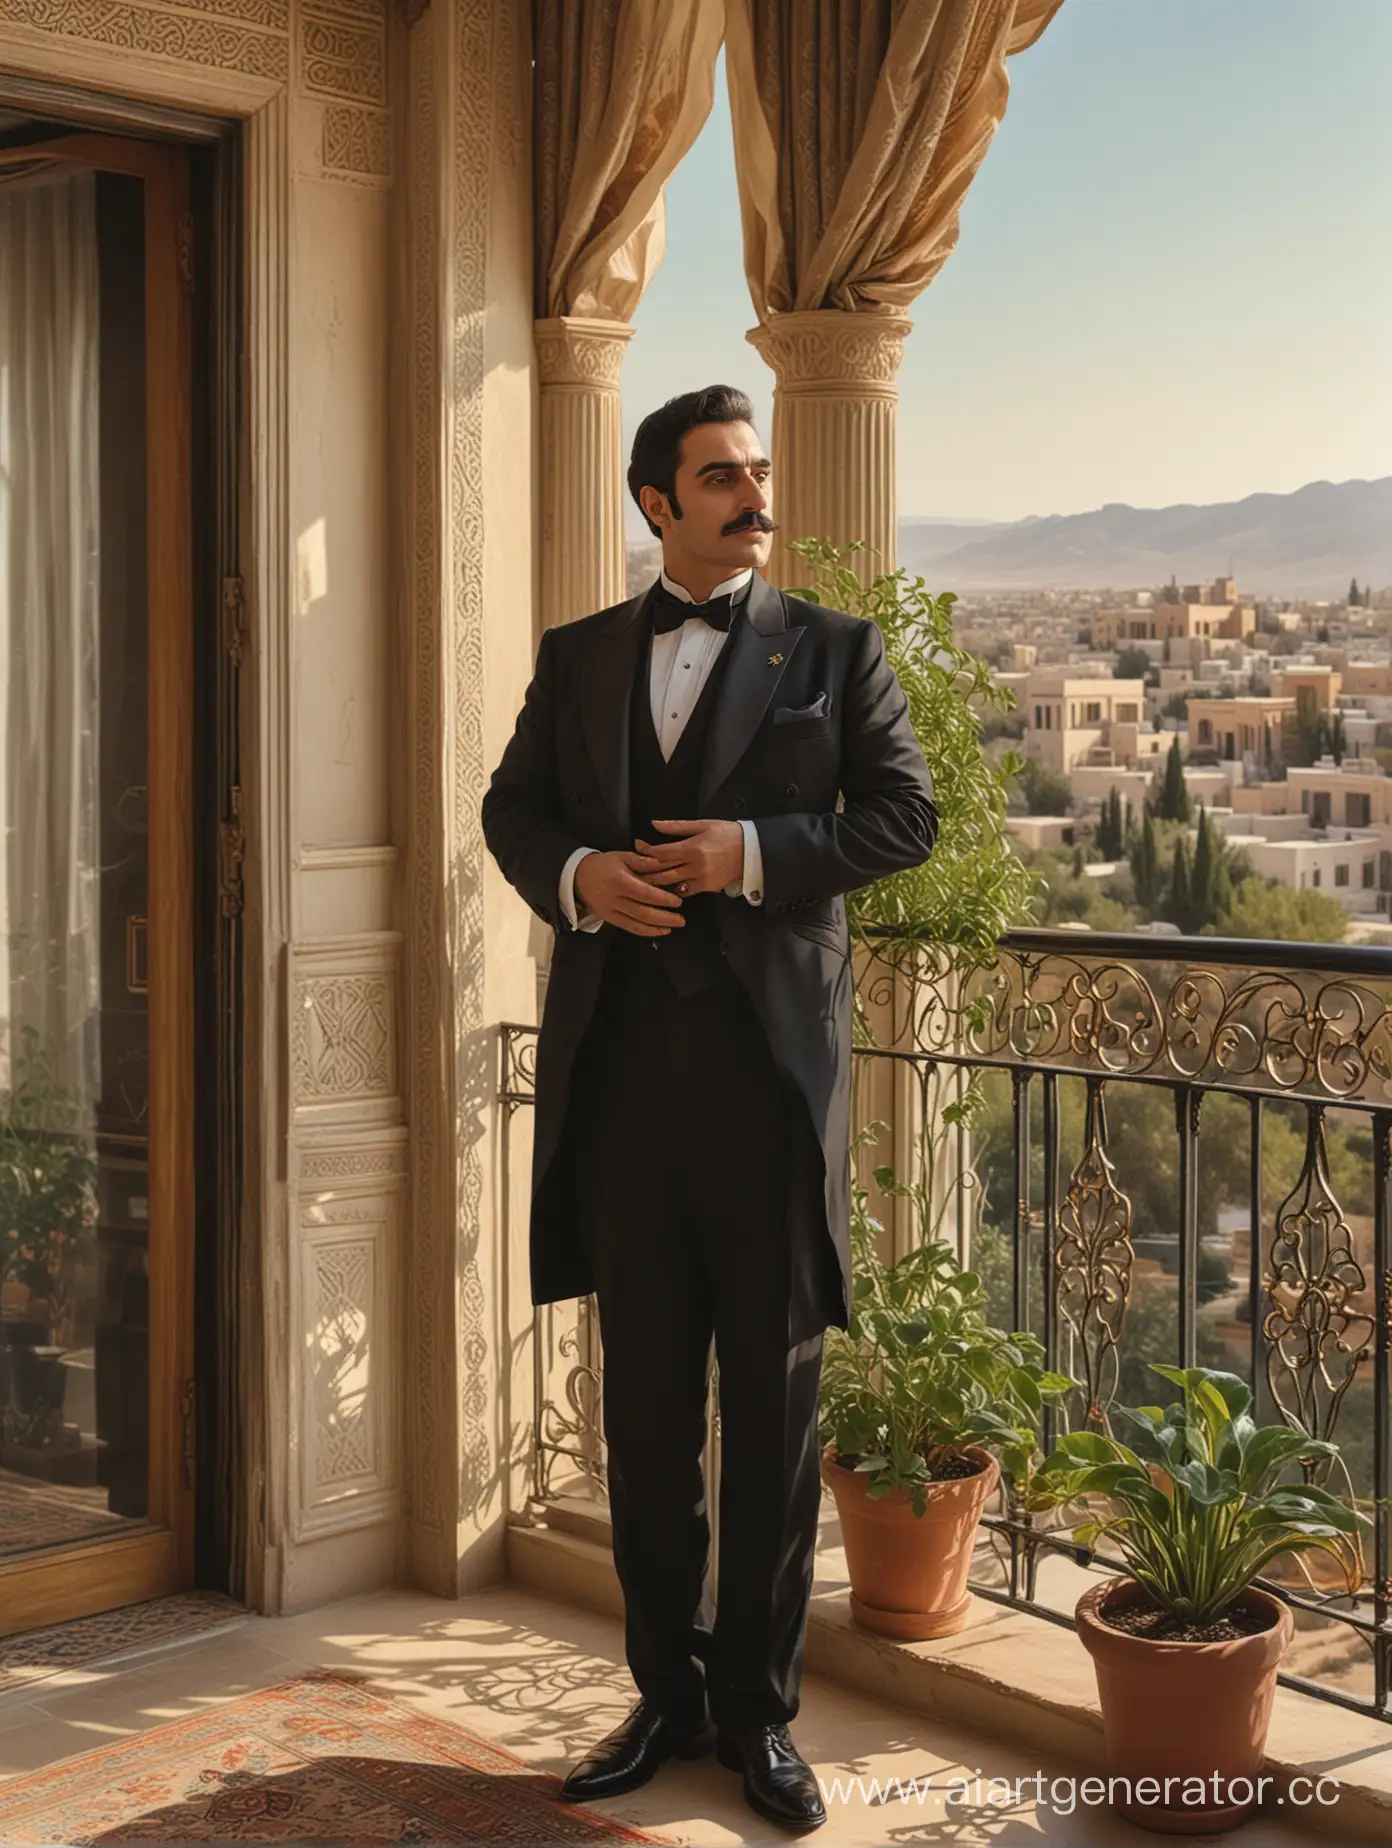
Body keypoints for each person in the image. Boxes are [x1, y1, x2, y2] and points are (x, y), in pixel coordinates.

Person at [481, 385, 936, 1832]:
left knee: (776, 1419)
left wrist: (751, 851)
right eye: (720, 475)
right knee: (649, 1420)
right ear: (654, 502)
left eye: (758, 470)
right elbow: (513, 811)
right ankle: (663, 1698)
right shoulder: (579, 657)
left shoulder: (837, 651)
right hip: (620, 1097)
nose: (753, 493)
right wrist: (578, 882)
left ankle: (758, 1714)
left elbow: (899, 819)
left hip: (765, 1096)